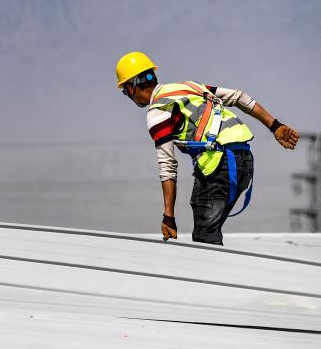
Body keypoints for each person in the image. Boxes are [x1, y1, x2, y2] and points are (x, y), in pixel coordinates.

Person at [116, 51, 298, 244]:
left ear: (131, 86)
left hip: (219, 165)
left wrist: (168, 216)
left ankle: (215, 273)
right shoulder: (188, 87)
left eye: (125, 91)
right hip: (244, 159)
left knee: (205, 239)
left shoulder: (158, 111)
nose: (127, 95)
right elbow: (238, 96)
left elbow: (167, 165)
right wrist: (275, 126)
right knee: (208, 234)